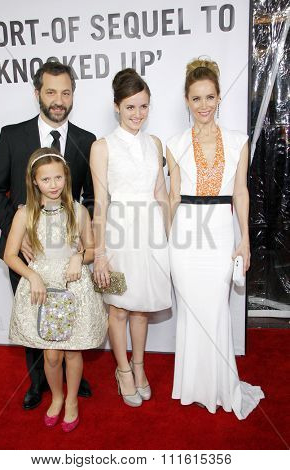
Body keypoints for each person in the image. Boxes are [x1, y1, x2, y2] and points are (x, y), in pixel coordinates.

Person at [0, 61, 94, 410]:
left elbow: (88, 196)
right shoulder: (12, 134)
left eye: (66, 92)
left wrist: (83, 240)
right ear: (37, 94)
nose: (58, 99)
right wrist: (23, 230)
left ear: (73, 95)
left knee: (71, 316)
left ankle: (73, 379)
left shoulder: (86, 140)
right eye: (51, 91)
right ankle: (37, 384)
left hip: (67, 252)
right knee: (35, 318)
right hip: (28, 253)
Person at [167, 58, 265, 419]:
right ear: (186, 101)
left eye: (210, 97)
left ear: (220, 97)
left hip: (221, 234)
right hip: (186, 236)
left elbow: (240, 193)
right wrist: (161, 242)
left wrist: (245, 241)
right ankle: (193, 387)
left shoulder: (239, 141)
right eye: (196, 98)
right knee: (192, 314)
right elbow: (173, 196)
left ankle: (221, 386)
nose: (204, 105)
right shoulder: (174, 143)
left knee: (215, 310)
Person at [4, 148, 107, 431]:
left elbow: (91, 248)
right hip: (42, 289)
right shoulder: (25, 214)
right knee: (50, 354)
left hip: (72, 287)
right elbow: (10, 255)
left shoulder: (78, 210)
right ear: (34, 181)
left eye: (58, 178)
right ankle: (57, 396)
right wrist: (32, 275)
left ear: (66, 177)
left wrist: (78, 256)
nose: (53, 185)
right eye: (46, 179)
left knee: (73, 351)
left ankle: (72, 399)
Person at [90, 68, 171, 407]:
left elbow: (162, 195)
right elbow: (101, 202)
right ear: (116, 107)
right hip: (119, 238)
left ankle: (139, 366)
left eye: (144, 106)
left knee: (141, 310)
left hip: (151, 238)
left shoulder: (155, 143)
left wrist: (170, 240)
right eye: (130, 107)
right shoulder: (102, 146)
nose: (138, 114)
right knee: (120, 309)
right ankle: (122, 369)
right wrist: (100, 253)